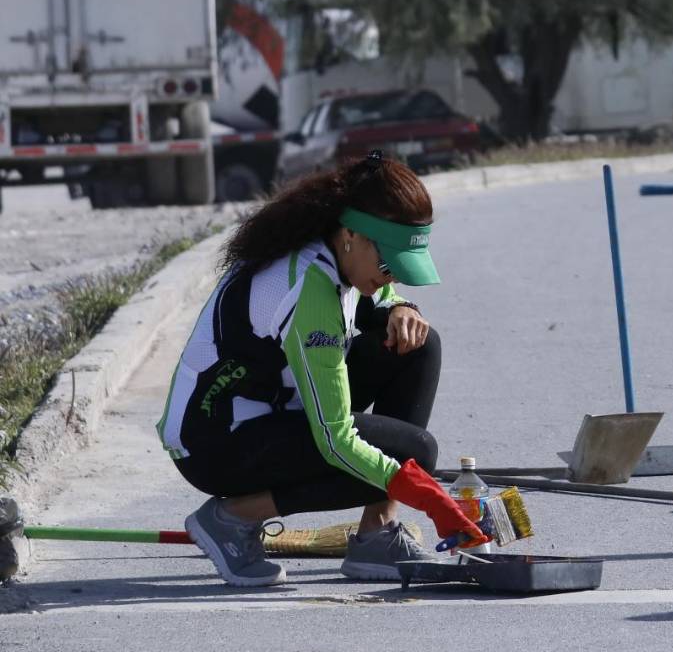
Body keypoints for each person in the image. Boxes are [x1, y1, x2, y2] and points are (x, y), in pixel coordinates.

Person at [158, 151, 487, 587]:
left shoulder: (334, 247)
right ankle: (231, 519)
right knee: (415, 455)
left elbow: (375, 299)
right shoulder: (307, 289)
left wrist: (403, 306)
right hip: (214, 442)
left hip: (271, 413)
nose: (392, 278)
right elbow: (335, 441)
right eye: (389, 265)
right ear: (352, 234)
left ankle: (377, 534)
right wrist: (426, 495)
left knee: (419, 346)